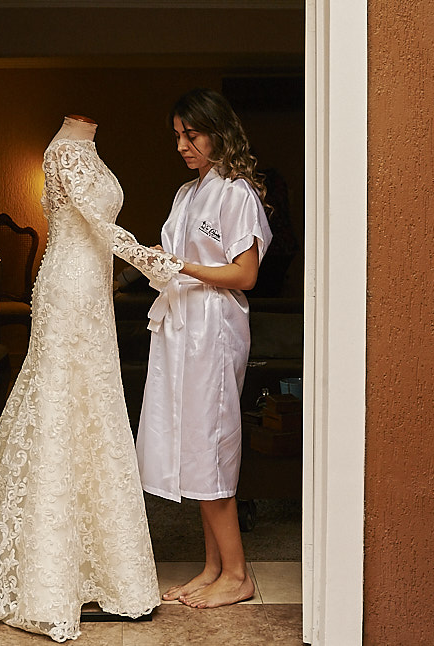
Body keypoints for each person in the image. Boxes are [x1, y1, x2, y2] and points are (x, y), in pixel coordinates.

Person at [0, 115, 183, 642]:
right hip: (69, 288)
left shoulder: (89, 149)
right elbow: (95, 221)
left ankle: (102, 565)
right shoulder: (67, 151)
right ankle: (49, 575)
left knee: (92, 408)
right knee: (61, 405)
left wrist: (121, 274)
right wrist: (152, 262)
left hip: (90, 288)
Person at [136, 89, 273, 609]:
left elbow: (245, 273)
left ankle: (238, 575)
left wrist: (182, 267)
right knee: (192, 442)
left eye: (191, 135)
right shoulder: (185, 196)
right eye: (177, 136)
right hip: (182, 325)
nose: (182, 146)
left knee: (211, 443)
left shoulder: (236, 193)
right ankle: (213, 566)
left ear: (218, 133)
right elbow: (175, 259)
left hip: (214, 327)